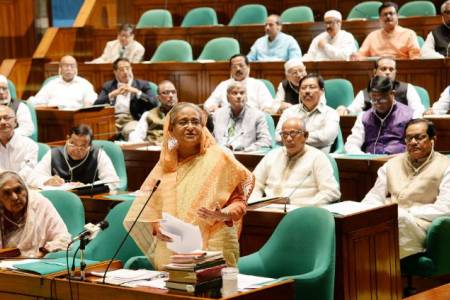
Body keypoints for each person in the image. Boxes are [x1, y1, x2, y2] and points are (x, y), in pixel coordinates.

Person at [124, 102, 255, 269]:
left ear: (203, 126)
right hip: (173, 245)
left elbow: (240, 202)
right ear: (170, 129)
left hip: (214, 241)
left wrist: (223, 214)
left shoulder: (220, 158)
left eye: (195, 122)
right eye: (183, 122)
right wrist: (157, 226)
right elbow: (152, 209)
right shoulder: (166, 165)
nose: (190, 127)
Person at [362, 119, 450, 258]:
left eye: (420, 137)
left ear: (433, 139)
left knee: (397, 219)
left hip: (421, 227)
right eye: (409, 138)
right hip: (391, 221)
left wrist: (406, 212)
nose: (413, 142)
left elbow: (445, 208)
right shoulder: (392, 164)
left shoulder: (446, 166)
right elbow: (374, 197)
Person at [250, 117, 340, 205]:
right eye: (284, 134)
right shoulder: (272, 155)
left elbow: (331, 192)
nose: (288, 139)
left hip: (301, 213)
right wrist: (255, 203)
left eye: (293, 134)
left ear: (306, 136)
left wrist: (305, 207)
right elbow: (253, 184)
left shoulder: (318, 158)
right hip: (268, 211)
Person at [27, 124, 119, 191]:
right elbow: (32, 178)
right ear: (67, 139)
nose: (77, 149)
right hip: (60, 200)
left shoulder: (98, 154)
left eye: (83, 146)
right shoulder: (54, 153)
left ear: (90, 146)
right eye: (73, 144)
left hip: (89, 200)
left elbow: (112, 181)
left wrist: (87, 187)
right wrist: (47, 181)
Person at [0, 171, 71, 257]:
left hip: (37, 260)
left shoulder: (39, 204)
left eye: (18, 190)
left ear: (25, 189)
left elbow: (64, 238)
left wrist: (44, 252)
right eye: (7, 193)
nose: (15, 197)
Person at [337, 56, 424, 118]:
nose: (387, 72)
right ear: (375, 72)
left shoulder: (408, 88)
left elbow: (418, 110)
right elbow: (352, 110)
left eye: (391, 69)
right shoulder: (365, 93)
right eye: (383, 69)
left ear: (395, 72)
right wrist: (344, 109)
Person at [345, 76, 413, 154]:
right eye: (374, 100)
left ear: (392, 94)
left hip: (399, 161)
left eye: (382, 99)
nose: (378, 104)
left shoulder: (409, 115)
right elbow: (352, 144)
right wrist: (363, 157)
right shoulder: (364, 117)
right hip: (370, 162)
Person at [94, 58, 158, 140]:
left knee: (133, 134)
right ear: (115, 72)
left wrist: (137, 92)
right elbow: (96, 104)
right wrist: (113, 94)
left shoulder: (142, 85)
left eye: (128, 68)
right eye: (121, 69)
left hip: (131, 120)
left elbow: (154, 103)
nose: (125, 72)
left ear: (131, 69)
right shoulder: (108, 86)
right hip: (111, 121)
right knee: (100, 135)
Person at [275, 74, 339, 153]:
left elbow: (326, 138)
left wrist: (292, 137)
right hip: (289, 156)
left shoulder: (331, 113)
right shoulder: (289, 111)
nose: (307, 91)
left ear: (321, 91)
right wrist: (302, 137)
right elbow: (278, 136)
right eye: (303, 88)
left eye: (311, 87)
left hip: (317, 159)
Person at [203, 54, 275, 113]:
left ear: (248, 67)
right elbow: (208, 103)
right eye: (234, 67)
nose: (238, 69)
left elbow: (268, 105)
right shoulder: (223, 85)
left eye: (241, 65)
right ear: (230, 70)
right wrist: (213, 107)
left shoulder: (258, 84)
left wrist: (265, 110)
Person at [212, 82, 272, 151]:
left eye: (242, 93)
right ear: (227, 98)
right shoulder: (217, 115)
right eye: (234, 93)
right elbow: (210, 140)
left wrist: (246, 149)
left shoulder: (257, 116)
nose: (239, 96)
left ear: (246, 97)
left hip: (244, 157)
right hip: (219, 155)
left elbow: (266, 141)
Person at [350, 2, 420, 60]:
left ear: (397, 16)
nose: (388, 16)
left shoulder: (409, 34)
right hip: (377, 70)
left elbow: (415, 58)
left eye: (391, 13)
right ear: (380, 19)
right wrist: (355, 56)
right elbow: (360, 55)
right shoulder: (372, 36)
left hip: (401, 69)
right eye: (385, 14)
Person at [29, 55, 97, 109]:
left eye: (72, 66)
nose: (69, 69)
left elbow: (91, 102)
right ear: (60, 68)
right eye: (66, 65)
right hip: (53, 119)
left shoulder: (85, 84)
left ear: (76, 69)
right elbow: (36, 101)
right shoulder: (51, 84)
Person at [0, 106, 37, 179]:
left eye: (6, 118)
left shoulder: (29, 146)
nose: (2, 122)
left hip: (21, 187)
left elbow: (28, 172)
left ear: (15, 122)